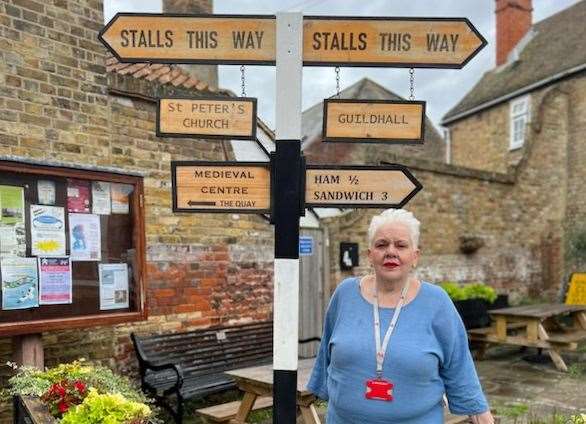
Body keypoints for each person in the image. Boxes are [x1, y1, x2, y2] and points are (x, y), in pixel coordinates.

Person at [307, 209, 494, 423]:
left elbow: (459, 363)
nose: (391, 252)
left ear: (415, 256)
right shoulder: (345, 294)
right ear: (370, 255)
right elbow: (326, 355)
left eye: (401, 245)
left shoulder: (436, 302)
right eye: (381, 244)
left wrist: (479, 412)